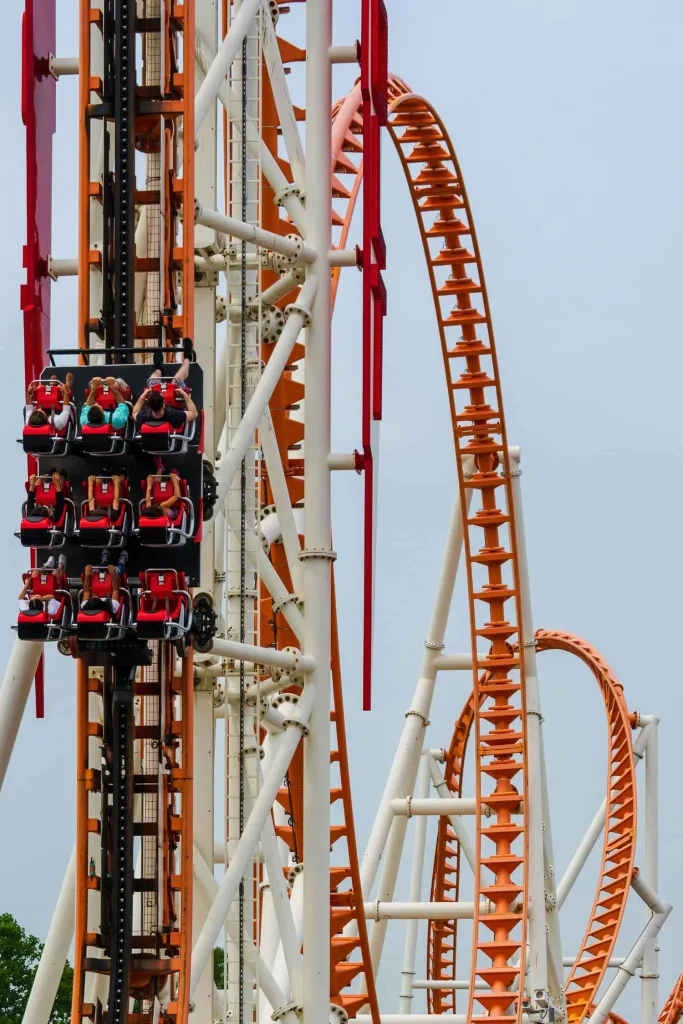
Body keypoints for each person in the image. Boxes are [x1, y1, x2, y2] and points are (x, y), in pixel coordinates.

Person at [132, 338, 198, 430]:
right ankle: (187, 358)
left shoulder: (145, 416)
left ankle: (158, 368)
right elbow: (194, 413)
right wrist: (185, 396)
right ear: (163, 404)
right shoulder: (174, 415)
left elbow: (134, 413)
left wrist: (142, 397)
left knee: (152, 381)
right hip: (174, 409)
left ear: (149, 406)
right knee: (177, 380)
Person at [18, 554, 68, 618]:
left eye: (32, 600)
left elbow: (20, 598)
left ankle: (47, 567)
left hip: (37, 590)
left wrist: (26, 586)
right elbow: (53, 597)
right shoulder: (50, 610)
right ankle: (61, 567)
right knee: (55, 573)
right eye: (36, 600)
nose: (35, 598)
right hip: (53, 593)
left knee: (35, 572)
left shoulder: (25, 610)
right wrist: (42, 598)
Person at [81, 550, 129, 616]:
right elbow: (115, 590)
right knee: (118, 570)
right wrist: (112, 573)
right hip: (110, 586)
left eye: (92, 597)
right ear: (101, 601)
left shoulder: (85, 606)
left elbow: (86, 591)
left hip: (97, 584)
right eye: (96, 597)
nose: (94, 595)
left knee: (95, 571)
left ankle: (104, 562)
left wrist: (87, 574)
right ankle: (122, 563)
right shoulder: (112, 607)